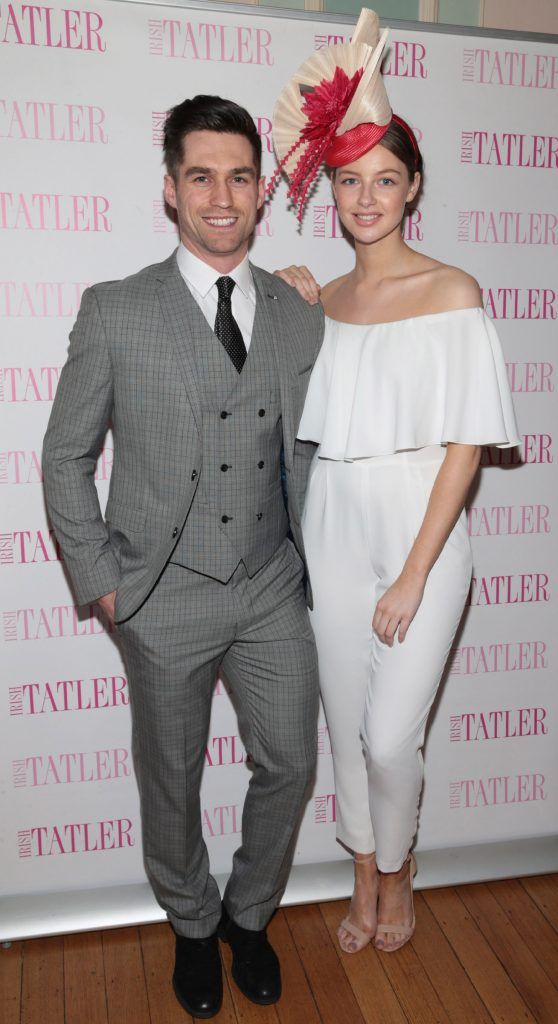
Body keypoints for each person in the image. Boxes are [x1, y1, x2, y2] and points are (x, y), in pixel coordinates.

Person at [42, 95, 324, 1018]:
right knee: (172, 774)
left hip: (271, 584)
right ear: (170, 190)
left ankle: (249, 916)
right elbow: (65, 457)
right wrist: (104, 585)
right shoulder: (116, 309)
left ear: (259, 192)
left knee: (288, 760)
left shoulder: (295, 310)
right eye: (200, 175)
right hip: (160, 595)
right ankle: (193, 927)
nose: (221, 194)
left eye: (240, 176)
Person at [272, 9, 519, 954]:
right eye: (348, 181)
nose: (366, 198)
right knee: (346, 720)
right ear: (331, 189)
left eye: (384, 180)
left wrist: (417, 570)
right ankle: (363, 873)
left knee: (389, 738)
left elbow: (464, 444)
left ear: (413, 188)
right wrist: (294, 306)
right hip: (331, 520)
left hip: (421, 526)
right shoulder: (321, 301)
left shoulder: (453, 291)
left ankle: (400, 862)